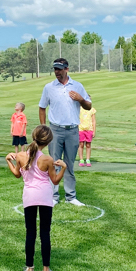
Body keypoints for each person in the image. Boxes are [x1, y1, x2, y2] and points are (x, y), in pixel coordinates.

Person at [6, 125, 66, 271]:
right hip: (45, 196)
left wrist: (8, 161)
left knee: (30, 233)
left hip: (29, 197)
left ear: (33, 137)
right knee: (45, 233)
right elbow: (54, 180)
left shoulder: (20, 155)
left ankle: (29, 269)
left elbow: (17, 174)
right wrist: (64, 169)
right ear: (47, 142)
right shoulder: (47, 159)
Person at [38, 58, 92, 206]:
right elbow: (42, 107)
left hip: (73, 130)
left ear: (67, 69)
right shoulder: (49, 87)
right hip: (55, 130)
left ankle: (71, 197)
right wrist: (44, 128)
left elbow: (88, 106)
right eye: (55, 69)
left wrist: (81, 99)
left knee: (68, 164)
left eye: (60, 69)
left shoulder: (78, 86)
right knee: (54, 164)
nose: (57, 72)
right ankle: (54, 197)